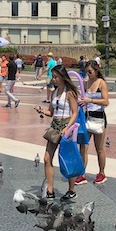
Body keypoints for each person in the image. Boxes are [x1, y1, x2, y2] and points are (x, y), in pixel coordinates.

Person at [37, 65, 82, 199]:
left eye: (56, 77)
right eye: (53, 77)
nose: (54, 79)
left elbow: (75, 112)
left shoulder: (70, 93)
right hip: (55, 125)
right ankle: (50, 190)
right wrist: (42, 111)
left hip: (66, 125)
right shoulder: (55, 92)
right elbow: (51, 112)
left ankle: (71, 189)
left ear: (63, 77)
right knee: (47, 158)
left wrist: (68, 127)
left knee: (68, 158)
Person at [79, 61, 111, 184]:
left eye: (90, 72)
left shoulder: (101, 83)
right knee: (83, 147)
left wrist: (90, 100)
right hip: (87, 117)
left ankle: (102, 172)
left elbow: (106, 101)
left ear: (96, 71)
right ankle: (82, 173)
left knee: (99, 148)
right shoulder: (86, 83)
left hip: (99, 117)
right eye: (86, 72)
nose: (88, 74)